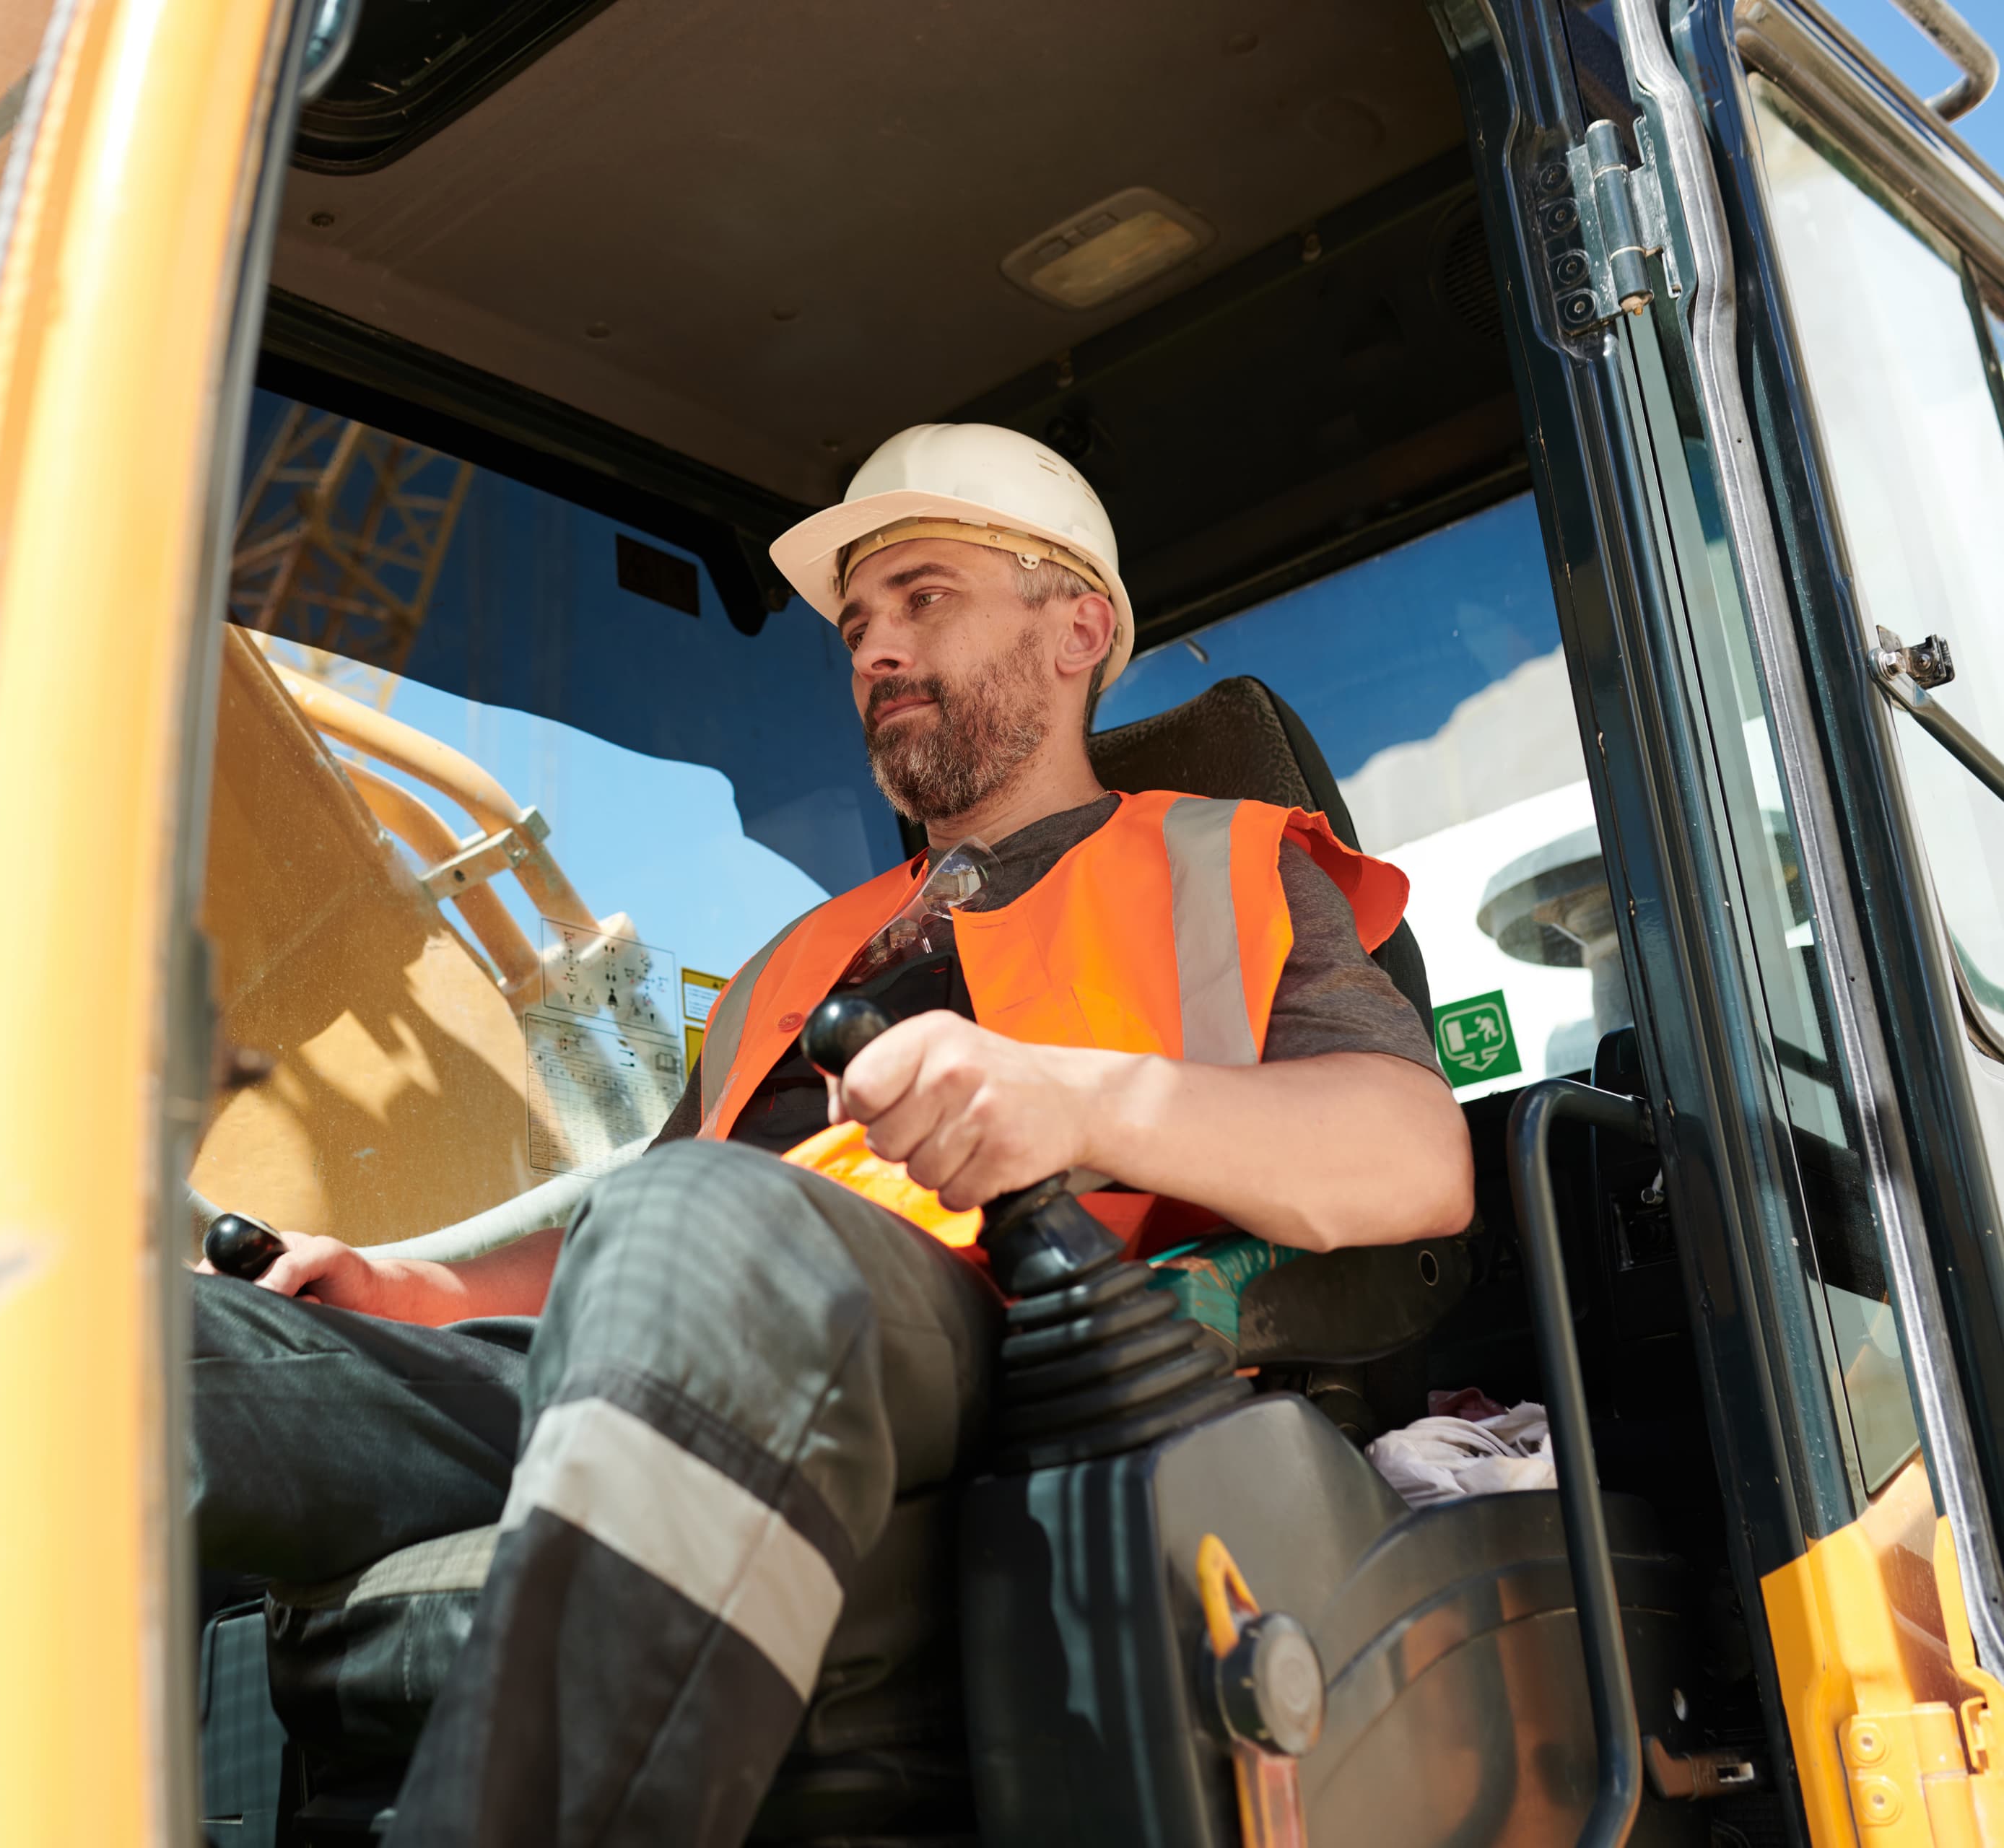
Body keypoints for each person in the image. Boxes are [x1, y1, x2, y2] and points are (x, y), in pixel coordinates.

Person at [191, 422, 1476, 1845]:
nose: (872, 649)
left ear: (1079, 626)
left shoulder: (1219, 862)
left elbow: (1415, 1155)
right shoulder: (793, 959)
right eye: (858, 624)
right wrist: (418, 1293)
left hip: (1021, 1347)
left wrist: (1075, 1098)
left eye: (924, 598)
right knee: (154, 1344)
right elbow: (638, 1238)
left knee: (710, 1224)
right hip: (702, 1331)